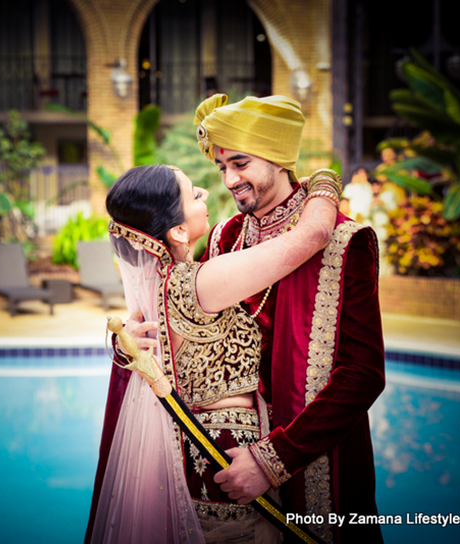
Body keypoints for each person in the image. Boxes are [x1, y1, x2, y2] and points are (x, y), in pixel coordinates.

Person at [87, 163, 341, 544]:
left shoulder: (155, 290)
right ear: (176, 230)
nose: (207, 192)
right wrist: (323, 181)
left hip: (197, 459)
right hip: (226, 462)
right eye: (194, 194)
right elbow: (315, 234)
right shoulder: (199, 283)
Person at [195, 94, 386, 544]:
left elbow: (362, 374)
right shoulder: (226, 238)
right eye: (222, 168)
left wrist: (273, 459)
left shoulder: (344, 241)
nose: (229, 180)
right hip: (234, 458)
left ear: (279, 160)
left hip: (318, 460)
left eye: (239, 163)